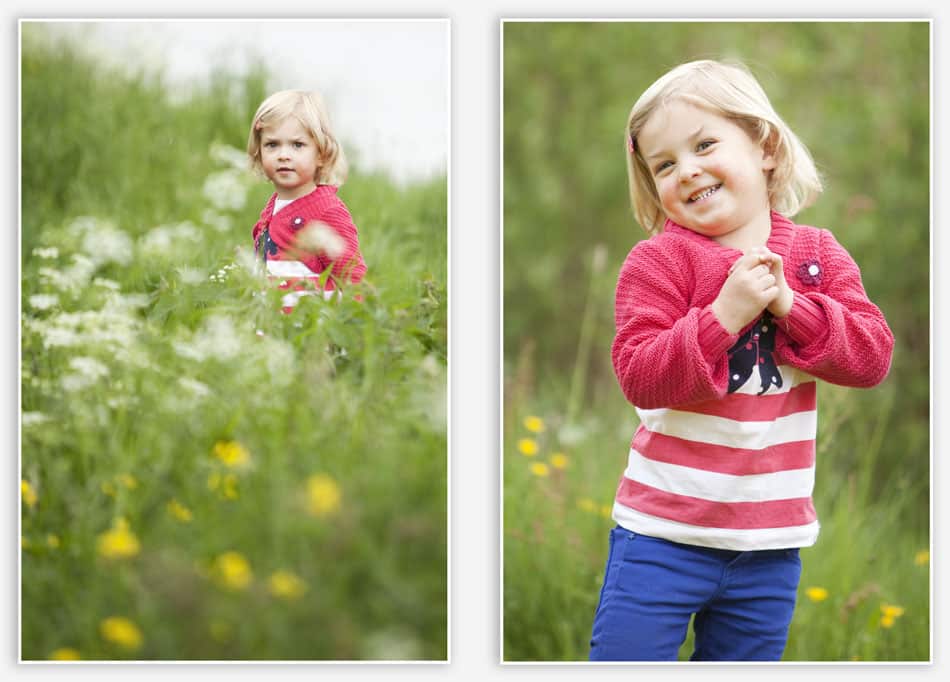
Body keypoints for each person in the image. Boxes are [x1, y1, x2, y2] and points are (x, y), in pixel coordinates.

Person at [588, 59, 894, 662]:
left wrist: (791, 305)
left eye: (705, 144)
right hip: (662, 535)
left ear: (766, 148)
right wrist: (722, 316)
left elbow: (871, 356)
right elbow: (641, 377)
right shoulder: (658, 264)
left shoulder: (815, 256)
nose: (688, 170)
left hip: (770, 544)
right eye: (665, 164)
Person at [247, 90, 366, 312]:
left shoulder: (326, 211)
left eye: (297, 145)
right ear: (259, 153)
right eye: (272, 145)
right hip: (271, 336)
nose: (284, 155)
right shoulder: (270, 210)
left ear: (321, 153)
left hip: (311, 338)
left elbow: (353, 280)